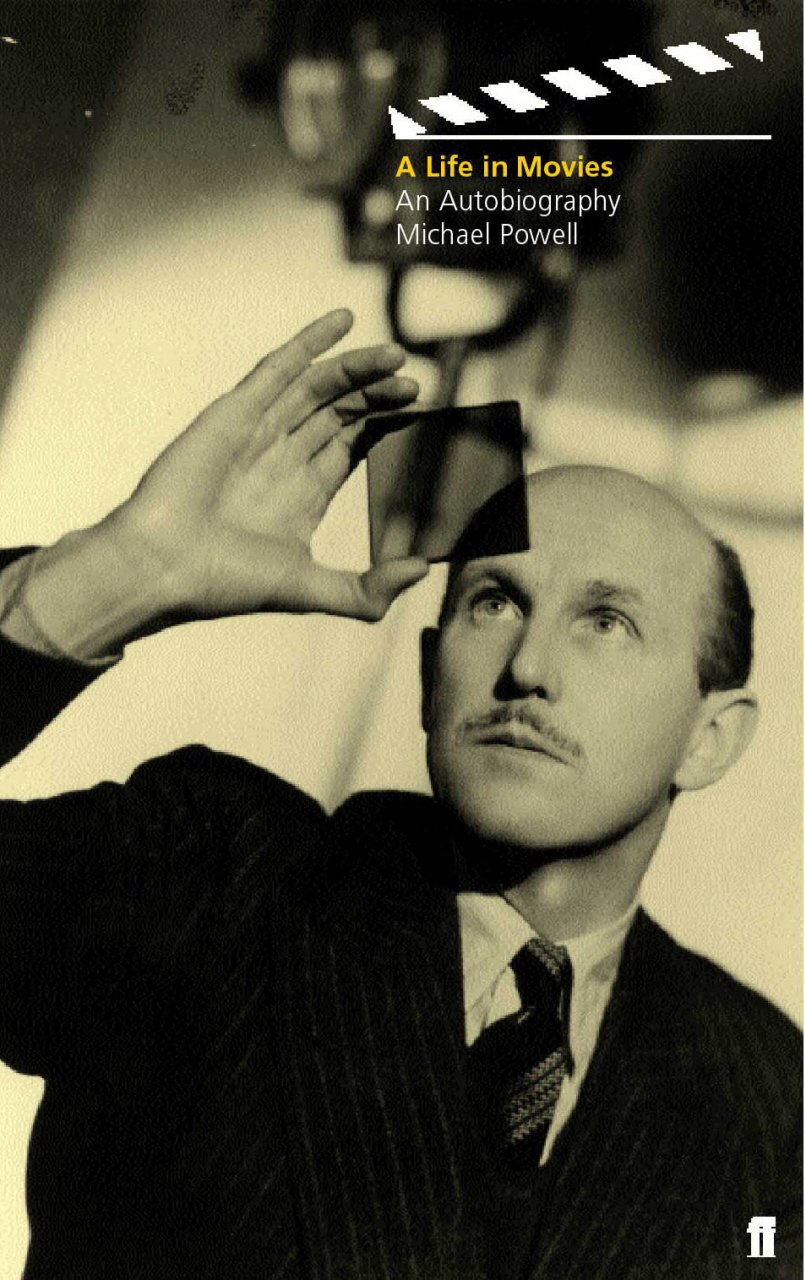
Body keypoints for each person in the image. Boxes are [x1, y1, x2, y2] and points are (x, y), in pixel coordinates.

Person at [0, 310, 799, 1280]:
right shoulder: (209, 877)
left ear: (711, 737)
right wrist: (106, 581)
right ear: (428, 673)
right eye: (493, 602)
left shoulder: (769, 1100)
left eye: (606, 622)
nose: (527, 667)